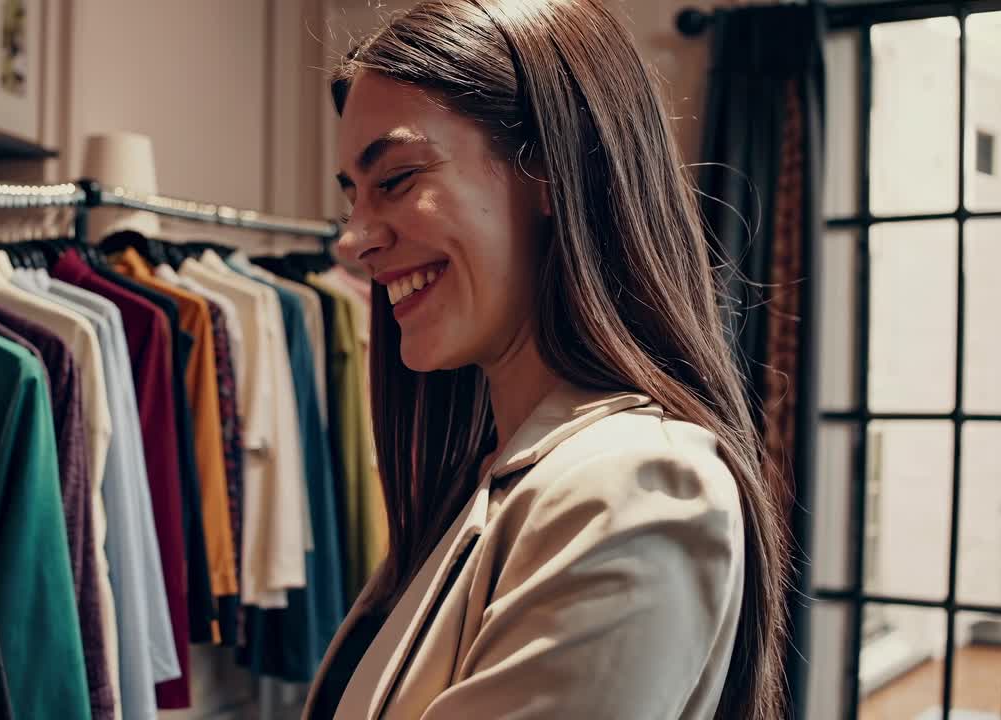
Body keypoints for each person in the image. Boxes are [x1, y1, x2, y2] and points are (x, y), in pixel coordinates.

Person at [303, 1, 788, 719]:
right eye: (353, 196)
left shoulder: (635, 488)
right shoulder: (493, 479)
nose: (353, 240)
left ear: (552, 170)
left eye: (397, 179)